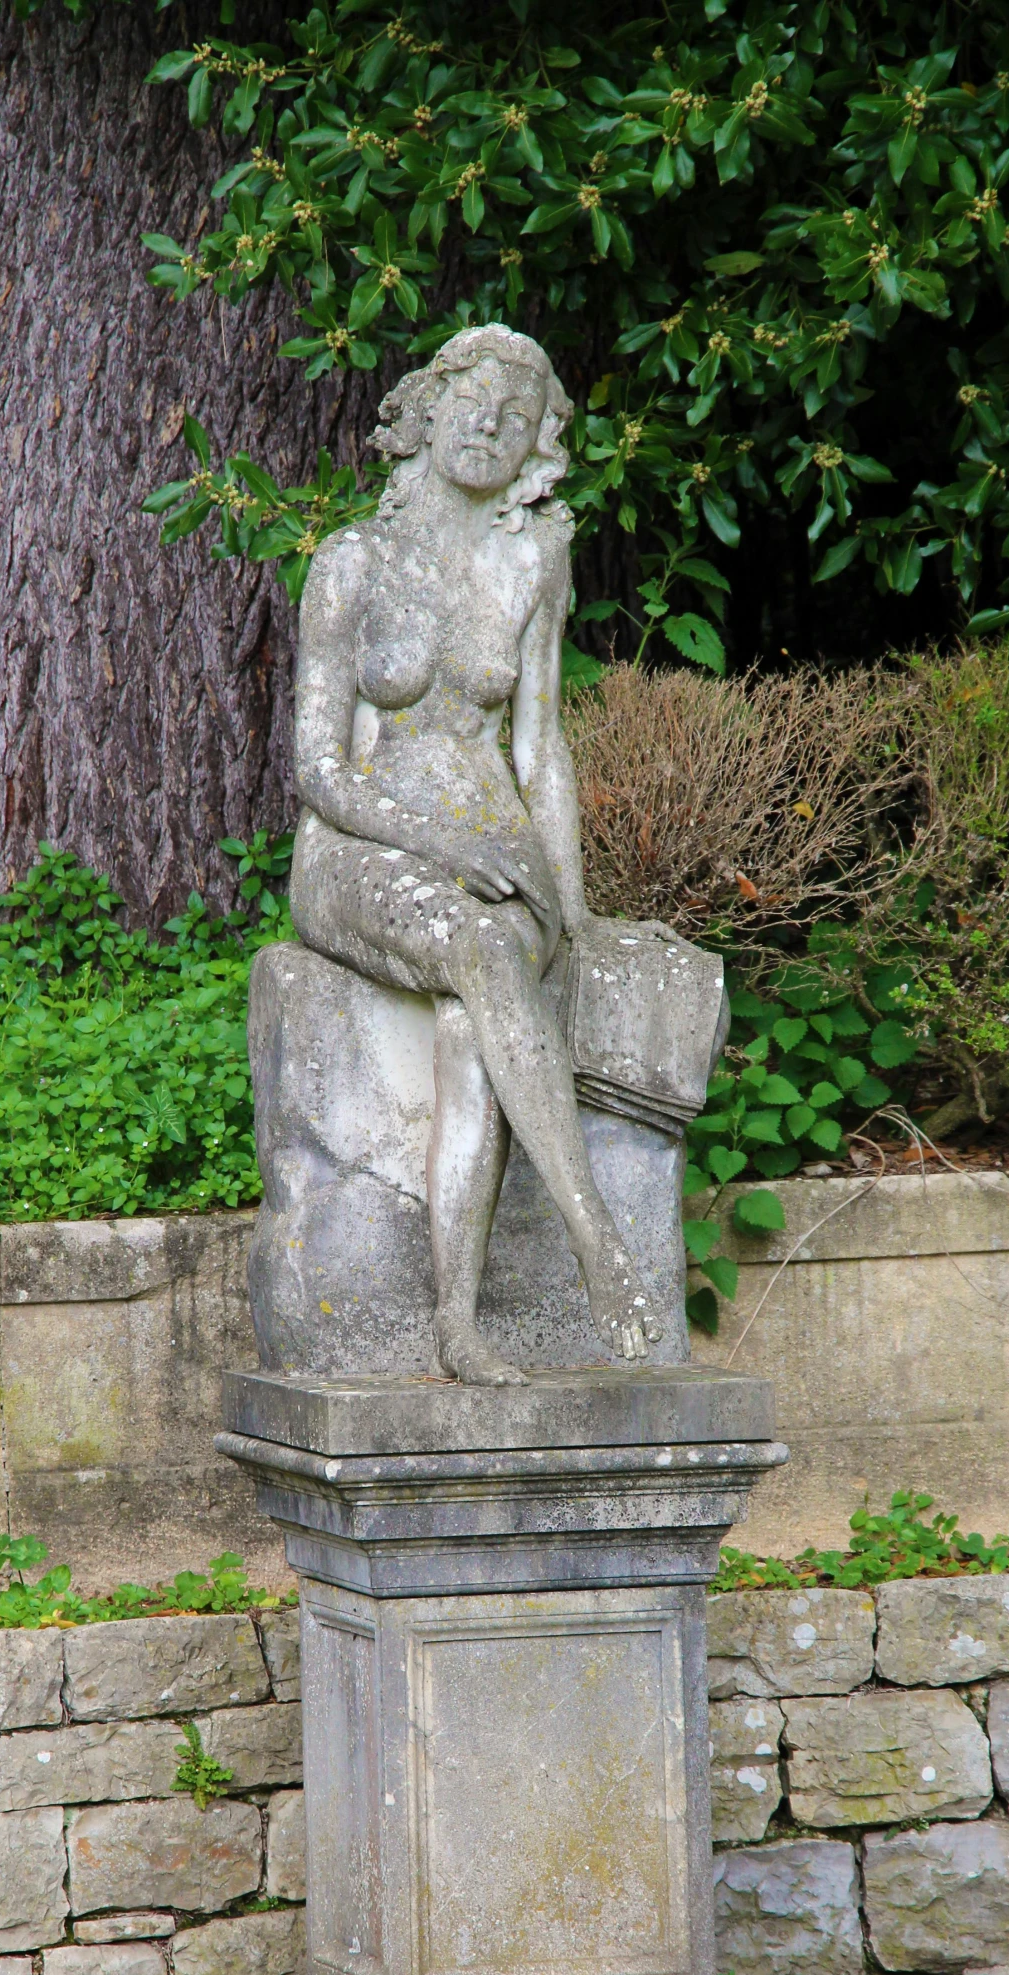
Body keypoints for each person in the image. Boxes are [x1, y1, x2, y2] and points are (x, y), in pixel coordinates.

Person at [289, 324, 666, 1385]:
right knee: (481, 956)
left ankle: (459, 1322)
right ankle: (597, 1238)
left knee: (477, 1009)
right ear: (425, 413)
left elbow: (539, 747)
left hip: (498, 855)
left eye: (514, 412)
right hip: (363, 848)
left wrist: (578, 912)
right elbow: (315, 765)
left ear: (531, 447)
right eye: (471, 400)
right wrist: (431, 839)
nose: (488, 422)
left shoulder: (532, 560)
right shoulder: (351, 562)